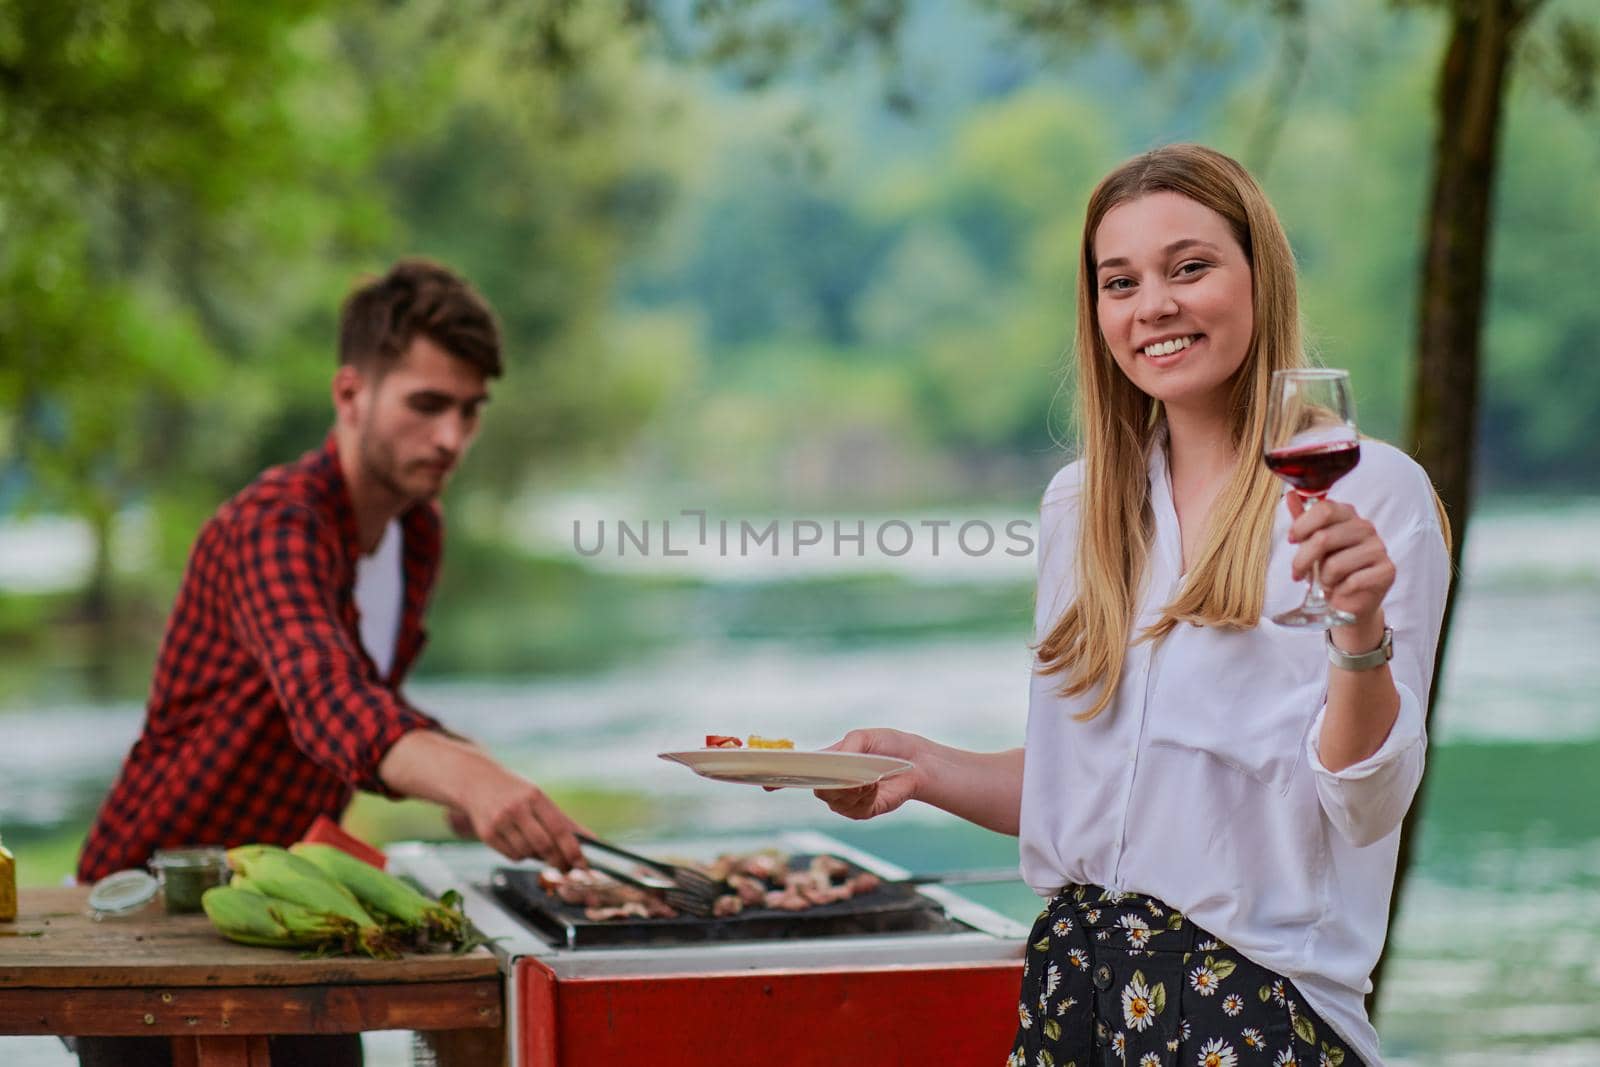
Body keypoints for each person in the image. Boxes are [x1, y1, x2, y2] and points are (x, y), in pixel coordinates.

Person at [812, 145, 1451, 1067]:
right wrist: (920, 764)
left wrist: (1359, 632)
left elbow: (1367, 800)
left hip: (1253, 1010)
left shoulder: (1368, 488)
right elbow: (1098, 793)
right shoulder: (1080, 505)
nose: (1154, 304)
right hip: (1077, 1001)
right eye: (1121, 281)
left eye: (1189, 267)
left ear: (1259, 277)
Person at [74, 259, 587, 1067]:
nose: (451, 437)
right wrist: (467, 779)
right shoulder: (276, 523)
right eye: (426, 404)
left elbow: (374, 697)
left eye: (469, 410)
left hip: (291, 907)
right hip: (154, 913)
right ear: (351, 394)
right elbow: (329, 702)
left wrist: (481, 772)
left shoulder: (417, 532)